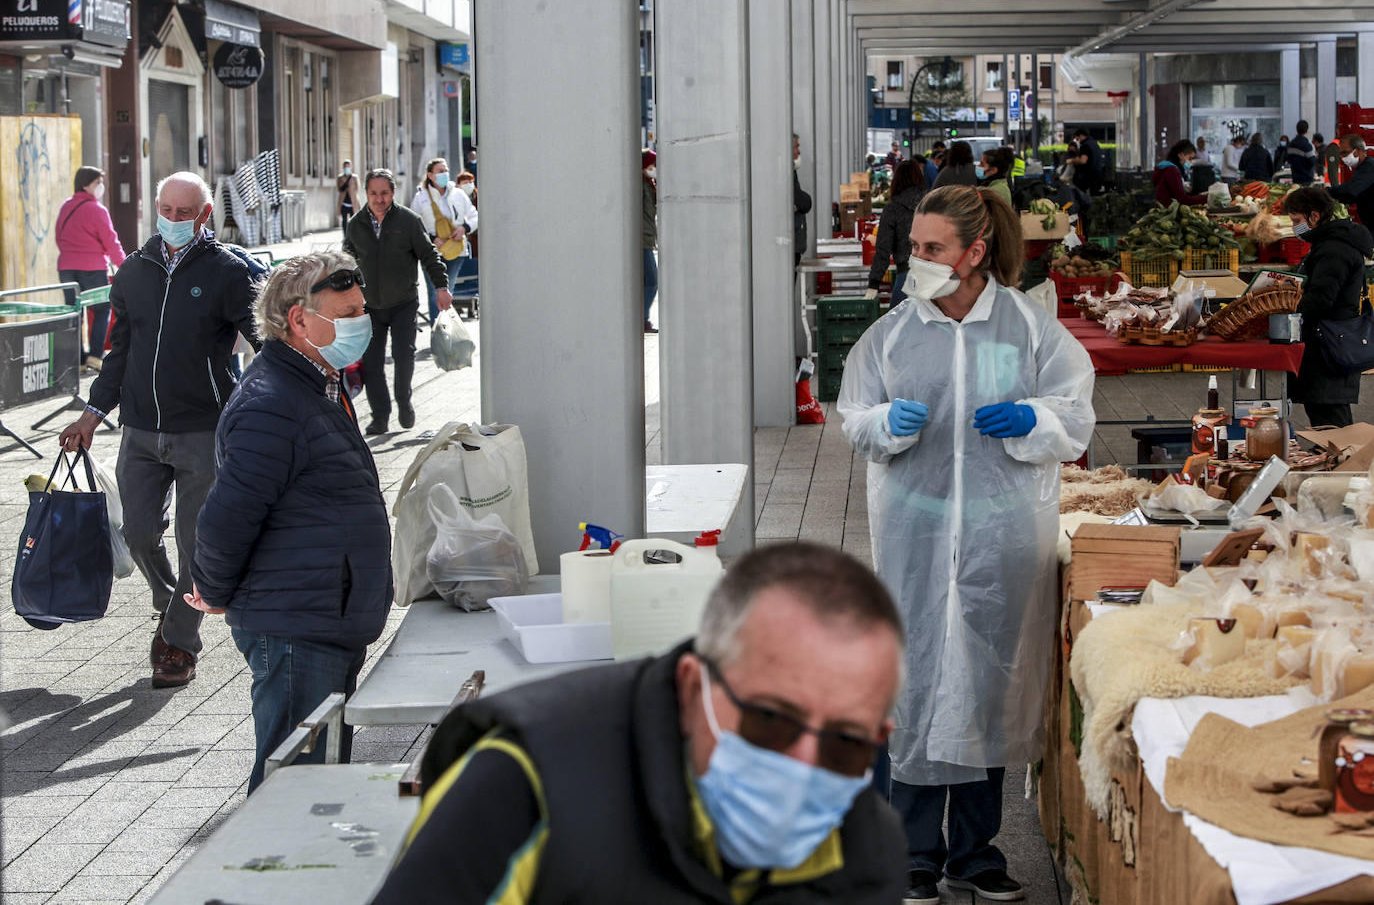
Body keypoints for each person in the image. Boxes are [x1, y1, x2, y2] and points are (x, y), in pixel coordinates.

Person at [370, 542, 907, 904]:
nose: (803, 764)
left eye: (845, 742)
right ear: (695, 687)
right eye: (770, 719)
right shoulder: (527, 789)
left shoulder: (865, 848)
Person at [838, 184, 1094, 905]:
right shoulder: (893, 331)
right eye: (916, 246)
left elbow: (1075, 413)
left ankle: (976, 854)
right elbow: (853, 413)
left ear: (974, 253)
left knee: (990, 683)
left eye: (930, 248)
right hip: (915, 536)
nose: (913, 260)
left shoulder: (1028, 327)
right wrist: (886, 421)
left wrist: (1035, 420)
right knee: (914, 685)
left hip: (1001, 535)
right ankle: (913, 852)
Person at [185, 253, 391, 793]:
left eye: (360, 311)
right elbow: (226, 516)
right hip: (297, 623)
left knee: (315, 779)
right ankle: (260, 877)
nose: (360, 324)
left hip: (322, 610)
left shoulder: (314, 382)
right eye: (347, 315)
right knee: (292, 787)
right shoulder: (272, 402)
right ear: (299, 321)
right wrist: (211, 588)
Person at [58, 171, 266, 688]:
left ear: (204, 216)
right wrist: (91, 414)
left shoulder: (229, 272)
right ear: (157, 208)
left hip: (203, 430)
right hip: (141, 431)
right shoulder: (133, 271)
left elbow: (266, 345)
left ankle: (177, 644)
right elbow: (119, 354)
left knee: (195, 540)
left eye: (184, 213)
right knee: (138, 532)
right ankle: (173, 597)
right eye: (166, 211)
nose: (173, 220)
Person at [343, 168, 450, 435]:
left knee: (404, 357)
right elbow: (345, 263)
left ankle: (404, 401)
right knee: (372, 363)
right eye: (374, 194)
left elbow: (429, 255)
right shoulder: (355, 225)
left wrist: (441, 286)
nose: (379, 199)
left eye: (385, 193)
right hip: (369, 307)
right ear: (366, 194)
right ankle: (380, 416)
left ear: (393, 193)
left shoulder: (408, 221)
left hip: (403, 302)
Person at [1282, 186, 1373, 428]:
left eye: (1297, 221)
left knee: (1331, 420)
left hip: (1328, 347)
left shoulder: (1333, 249)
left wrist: (1290, 309)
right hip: (1330, 342)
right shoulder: (1331, 243)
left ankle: (1345, 464)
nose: (1295, 227)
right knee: (1326, 416)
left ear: (1314, 216)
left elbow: (1321, 299)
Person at [55, 165, 125, 368]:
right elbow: (112, 242)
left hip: (66, 268)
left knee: (74, 312)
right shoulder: (97, 210)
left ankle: (78, 359)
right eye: (98, 183)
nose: (101, 187)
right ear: (86, 184)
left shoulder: (66, 207)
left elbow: (59, 237)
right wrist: (125, 265)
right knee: (102, 309)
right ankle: (95, 356)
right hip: (92, 268)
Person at [410, 157, 478, 325]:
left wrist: (464, 228)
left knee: (448, 291)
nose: (445, 174)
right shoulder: (421, 197)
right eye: (440, 171)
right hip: (431, 253)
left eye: (446, 170)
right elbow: (412, 224)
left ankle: (447, 330)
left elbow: (474, 215)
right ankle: (438, 331)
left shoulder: (458, 194)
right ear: (430, 175)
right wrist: (432, 238)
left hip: (456, 250)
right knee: (435, 293)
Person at [867, 159, 926, 309]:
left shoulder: (893, 209)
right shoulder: (933, 205)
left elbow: (883, 249)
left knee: (897, 328)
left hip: (906, 276)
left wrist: (874, 283)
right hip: (934, 278)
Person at [1331, 134, 1374, 227]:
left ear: (1357, 151)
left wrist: (1327, 191)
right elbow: (1350, 198)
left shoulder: (1369, 167)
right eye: (1341, 154)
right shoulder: (1360, 168)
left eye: (1345, 153)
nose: (1342, 158)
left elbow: (1351, 191)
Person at [1154, 140, 1207, 207]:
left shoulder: (1169, 168)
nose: (1191, 162)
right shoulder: (1171, 171)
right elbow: (1183, 199)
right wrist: (1206, 198)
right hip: (1167, 211)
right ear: (1181, 155)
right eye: (1190, 158)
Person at [642, 149, 659, 333]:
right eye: (651, 165)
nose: (653, 169)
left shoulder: (649, 184)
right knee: (652, 280)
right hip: (642, 241)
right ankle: (642, 318)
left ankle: (643, 318)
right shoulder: (641, 186)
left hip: (647, 239)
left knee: (649, 281)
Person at [794, 133, 812, 270]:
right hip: (790, 246)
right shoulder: (786, 172)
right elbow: (803, 202)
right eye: (796, 147)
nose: (799, 152)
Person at [1071, 128, 1104, 194]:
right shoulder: (1095, 143)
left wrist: (1072, 160)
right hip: (1098, 174)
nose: (1077, 141)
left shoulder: (1085, 145)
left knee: (1081, 194)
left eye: (1077, 139)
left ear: (1080, 136)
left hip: (1088, 176)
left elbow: (1083, 160)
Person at [1287, 121, 1317, 186]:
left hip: (1295, 177)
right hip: (1306, 178)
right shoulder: (1307, 145)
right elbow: (1312, 161)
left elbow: (1289, 159)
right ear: (1307, 131)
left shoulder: (1291, 145)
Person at [337, 160, 358, 228]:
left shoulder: (354, 177)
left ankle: (352, 236)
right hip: (343, 202)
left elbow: (357, 189)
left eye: (348, 166)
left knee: (353, 220)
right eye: (345, 167)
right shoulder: (340, 178)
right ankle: (345, 236)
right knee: (344, 220)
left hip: (352, 202)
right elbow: (339, 189)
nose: (347, 168)